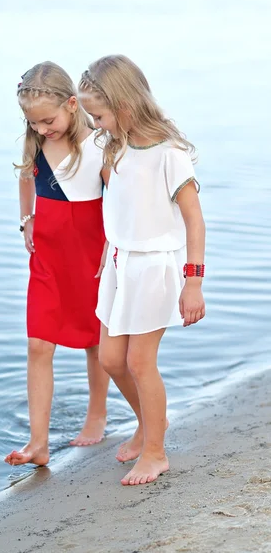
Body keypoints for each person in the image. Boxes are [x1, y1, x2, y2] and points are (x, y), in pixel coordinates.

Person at [78, 55, 206, 485]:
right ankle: (150, 422)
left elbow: (194, 220)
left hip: (154, 267)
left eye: (98, 115)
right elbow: (120, 204)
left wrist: (194, 281)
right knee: (112, 359)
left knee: (139, 361)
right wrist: (106, 249)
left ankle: (155, 451)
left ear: (125, 104)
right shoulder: (114, 144)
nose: (94, 125)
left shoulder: (168, 154)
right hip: (117, 264)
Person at [4, 62, 110, 467]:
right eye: (34, 124)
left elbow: (118, 197)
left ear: (72, 104)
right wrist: (26, 219)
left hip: (92, 248)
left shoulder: (102, 143)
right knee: (37, 343)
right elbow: (26, 178)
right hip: (47, 252)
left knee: (94, 338)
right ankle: (38, 443)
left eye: (49, 121)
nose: (43, 129)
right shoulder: (36, 141)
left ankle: (97, 414)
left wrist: (112, 245)